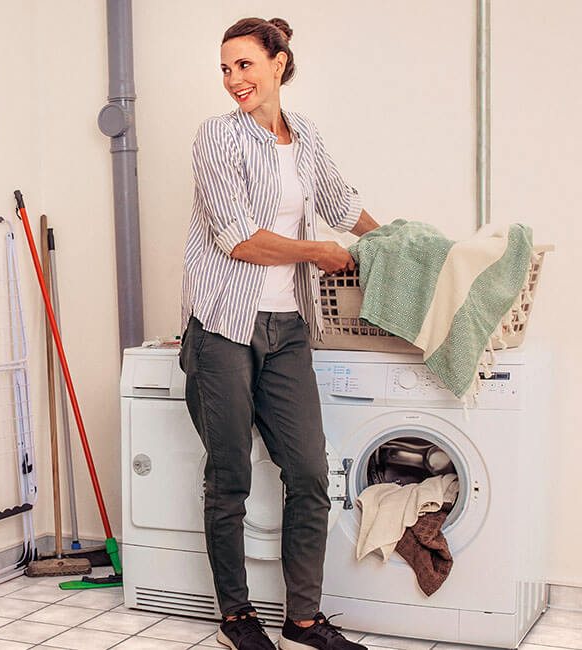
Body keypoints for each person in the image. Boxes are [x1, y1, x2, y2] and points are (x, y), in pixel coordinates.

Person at [179, 16, 381, 650]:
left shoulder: (308, 137)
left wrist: (402, 246)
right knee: (230, 475)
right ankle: (235, 617)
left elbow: (344, 204)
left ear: (279, 63)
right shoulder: (217, 138)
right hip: (224, 326)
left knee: (311, 474)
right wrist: (317, 251)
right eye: (225, 68)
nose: (234, 79)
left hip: (289, 326)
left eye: (245, 65)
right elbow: (237, 239)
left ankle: (302, 619)